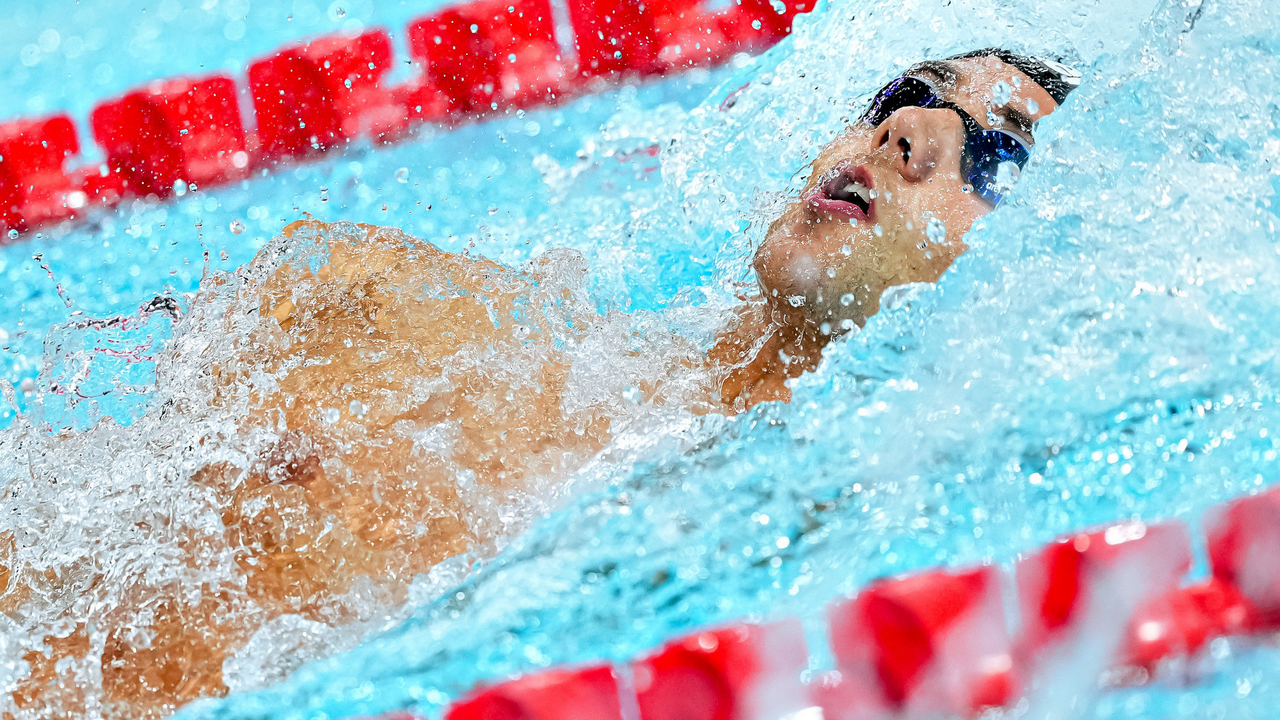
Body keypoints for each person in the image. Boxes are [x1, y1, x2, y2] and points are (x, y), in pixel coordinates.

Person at [5, 48, 1078, 719]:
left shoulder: (767, 522)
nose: (909, 131)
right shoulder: (500, 324)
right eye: (905, 93)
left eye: (994, 153)